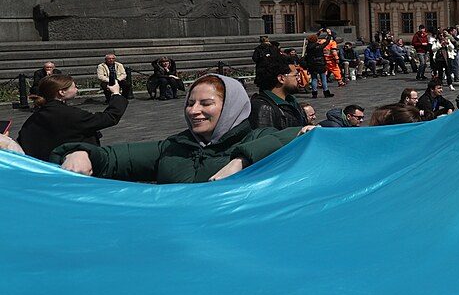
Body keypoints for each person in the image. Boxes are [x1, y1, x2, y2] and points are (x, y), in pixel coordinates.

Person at [54, 74, 306, 183]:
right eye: (190, 103)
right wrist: (81, 153)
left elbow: (300, 136)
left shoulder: (258, 137)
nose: (194, 110)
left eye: (206, 103)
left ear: (231, 107)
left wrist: (241, 158)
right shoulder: (172, 148)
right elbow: (111, 159)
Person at [18, 72, 128, 160]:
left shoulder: (34, 118)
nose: (77, 89)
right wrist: (116, 94)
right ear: (61, 92)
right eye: (74, 87)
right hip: (71, 166)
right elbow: (109, 118)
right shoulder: (70, 114)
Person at [250, 53, 314, 129]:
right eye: (295, 75)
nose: (299, 79)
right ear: (281, 78)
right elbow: (267, 138)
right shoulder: (263, 108)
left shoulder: (291, 101)